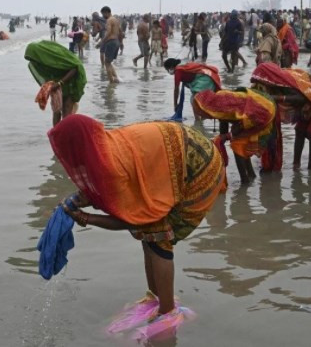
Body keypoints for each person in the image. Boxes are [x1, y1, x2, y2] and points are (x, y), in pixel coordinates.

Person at [48, 114, 225, 316]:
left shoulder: (112, 164)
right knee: (147, 234)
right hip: (181, 158)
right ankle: (156, 297)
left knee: (158, 235)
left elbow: (131, 219)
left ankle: (167, 311)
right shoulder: (103, 146)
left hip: (202, 168)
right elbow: (116, 196)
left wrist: (87, 219)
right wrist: (81, 200)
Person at [250, 63, 311, 171]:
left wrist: (278, 98)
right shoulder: (269, 84)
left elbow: (302, 98)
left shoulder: (287, 83)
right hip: (309, 105)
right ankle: (296, 165)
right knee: (299, 131)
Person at [192, 87, 276, 184]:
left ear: (205, 108)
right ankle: (251, 175)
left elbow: (239, 127)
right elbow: (223, 121)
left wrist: (227, 136)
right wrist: (219, 141)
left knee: (237, 144)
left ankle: (245, 181)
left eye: (202, 114)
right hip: (256, 106)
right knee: (240, 142)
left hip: (262, 109)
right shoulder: (216, 103)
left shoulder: (222, 105)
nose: (203, 117)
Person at [24, 40, 87, 126]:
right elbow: (47, 77)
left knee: (66, 111)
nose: (33, 61)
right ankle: (56, 134)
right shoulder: (41, 62)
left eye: (33, 58)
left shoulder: (54, 55)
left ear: (38, 54)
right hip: (56, 87)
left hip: (70, 83)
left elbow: (75, 67)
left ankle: (67, 133)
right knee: (56, 111)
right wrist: (46, 88)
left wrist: (59, 83)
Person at [100, 6, 121, 83]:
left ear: (106, 12)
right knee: (109, 62)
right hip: (116, 41)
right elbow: (120, 31)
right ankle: (116, 78)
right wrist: (120, 43)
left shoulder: (109, 20)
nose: (103, 16)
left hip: (111, 42)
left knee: (106, 62)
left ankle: (111, 82)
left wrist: (102, 41)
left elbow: (108, 32)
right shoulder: (116, 20)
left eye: (103, 14)